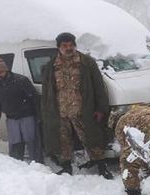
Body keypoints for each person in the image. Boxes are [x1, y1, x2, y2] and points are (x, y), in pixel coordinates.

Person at [40, 32, 113, 179]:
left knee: (92, 138)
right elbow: (47, 91)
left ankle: (101, 166)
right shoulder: (51, 66)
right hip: (60, 112)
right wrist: (47, 111)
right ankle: (66, 167)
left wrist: (100, 108)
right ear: (58, 47)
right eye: (65, 45)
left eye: (71, 45)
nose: (69, 48)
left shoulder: (86, 63)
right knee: (63, 142)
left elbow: (99, 87)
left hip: (83, 111)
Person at [0, 56, 42, 162]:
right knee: (15, 144)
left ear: (6, 70)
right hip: (11, 118)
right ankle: (16, 165)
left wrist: (40, 116)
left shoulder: (21, 80)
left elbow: (34, 98)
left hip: (27, 116)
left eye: (1, 72)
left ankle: (38, 164)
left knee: (32, 142)